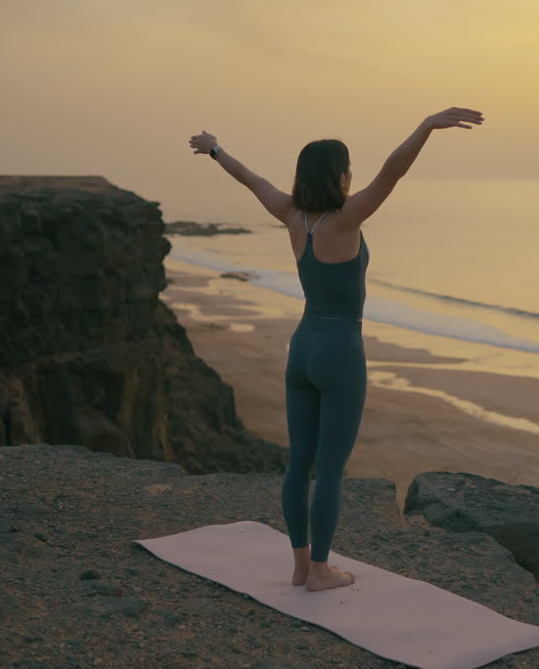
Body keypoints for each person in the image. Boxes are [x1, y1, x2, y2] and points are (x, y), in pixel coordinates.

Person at [188, 107, 485, 591]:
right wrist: (427, 126)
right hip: (341, 351)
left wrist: (216, 148)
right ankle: (321, 571)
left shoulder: (290, 213)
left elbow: (249, 178)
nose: (354, 175)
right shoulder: (347, 218)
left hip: (301, 348)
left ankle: (301, 564)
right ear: (340, 175)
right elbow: (394, 170)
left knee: (298, 463)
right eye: (349, 168)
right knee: (329, 470)